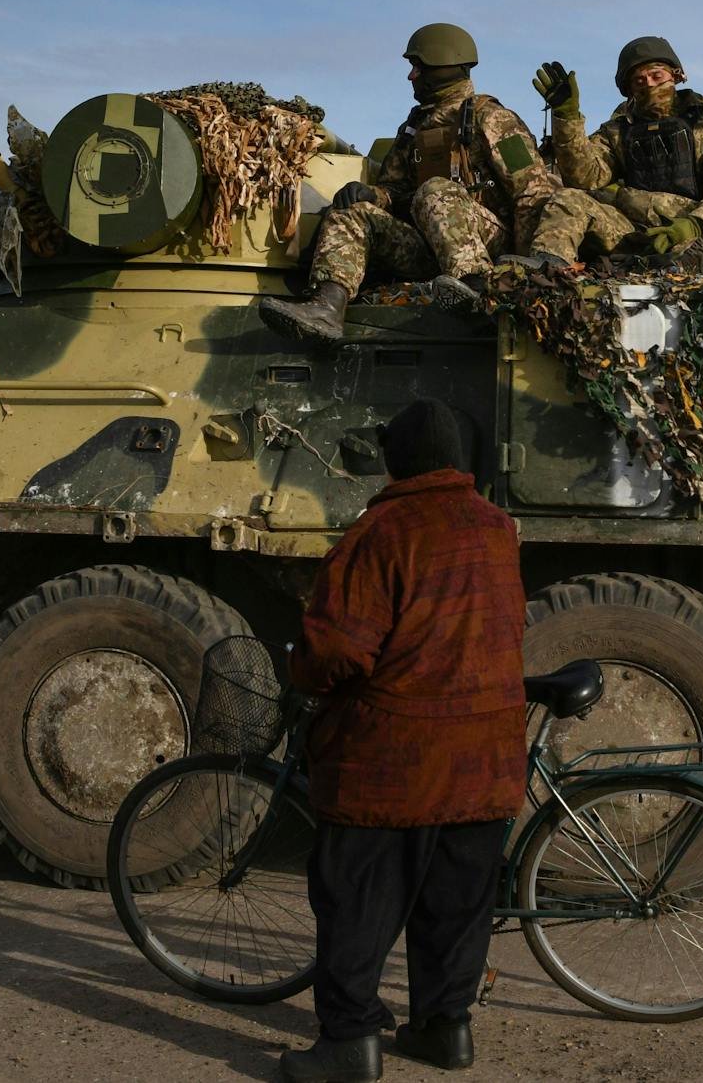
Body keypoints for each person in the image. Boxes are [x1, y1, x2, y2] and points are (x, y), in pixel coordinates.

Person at [279, 399, 527, 1083]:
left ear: (396, 459)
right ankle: (446, 1029)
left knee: (356, 897)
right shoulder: (498, 527)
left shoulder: (382, 532)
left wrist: (301, 665)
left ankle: (349, 1044)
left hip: (391, 762)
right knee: (456, 899)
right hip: (488, 758)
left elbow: (337, 649)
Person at [260, 24, 560, 345]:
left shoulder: (493, 119)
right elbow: (395, 192)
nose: (411, 77)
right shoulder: (413, 129)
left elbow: (533, 194)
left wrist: (529, 276)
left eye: (419, 68)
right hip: (431, 248)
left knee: (435, 191)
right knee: (354, 212)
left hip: (492, 248)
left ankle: (476, 289)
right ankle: (327, 307)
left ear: (444, 68)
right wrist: (372, 195)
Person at [530, 36, 703, 272]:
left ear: (675, 75)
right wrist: (567, 117)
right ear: (629, 88)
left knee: (699, 257)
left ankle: (672, 271)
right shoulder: (616, 131)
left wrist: (694, 225)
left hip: (685, 230)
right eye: (639, 80)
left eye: (656, 76)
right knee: (568, 199)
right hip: (626, 228)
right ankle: (546, 269)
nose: (650, 85)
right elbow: (584, 177)